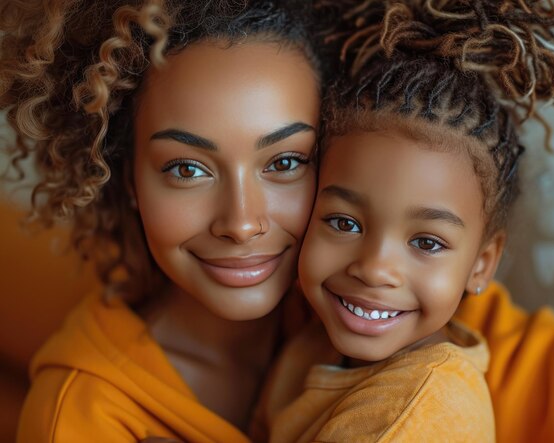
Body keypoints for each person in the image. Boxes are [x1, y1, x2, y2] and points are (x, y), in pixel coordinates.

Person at [251, 0, 554, 441]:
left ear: (482, 264)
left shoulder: (419, 413)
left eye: (427, 243)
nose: (375, 268)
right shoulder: (314, 337)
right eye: (345, 223)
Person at [0, 0, 323, 441]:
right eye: (187, 169)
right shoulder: (82, 418)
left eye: (285, 162)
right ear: (129, 180)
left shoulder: (376, 308)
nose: (242, 222)